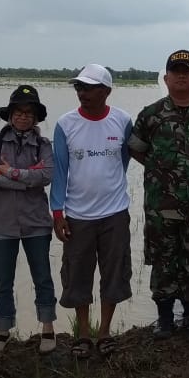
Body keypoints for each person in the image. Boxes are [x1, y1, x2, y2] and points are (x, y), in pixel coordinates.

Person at [129, 49, 189, 339]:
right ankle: (164, 318)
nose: (182, 75)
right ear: (167, 77)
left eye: (187, 70)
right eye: (176, 71)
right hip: (161, 205)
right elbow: (136, 148)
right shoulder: (151, 114)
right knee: (163, 259)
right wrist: (162, 171)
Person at [50, 64, 133, 359]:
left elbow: (123, 164)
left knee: (114, 273)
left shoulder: (122, 121)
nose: (82, 93)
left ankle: (105, 332)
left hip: (114, 213)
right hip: (77, 214)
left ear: (106, 91)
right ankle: (83, 333)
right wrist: (58, 214)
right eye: (78, 88)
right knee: (77, 275)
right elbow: (60, 172)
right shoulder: (65, 124)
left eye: (88, 88)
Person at [0, 85, 58, 354]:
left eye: (29, 113)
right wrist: (27, 178)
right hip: (1, 222)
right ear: (10, 114)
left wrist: (11, 173)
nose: (24, 117)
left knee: (43, 278)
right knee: (3, 281)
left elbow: (47, 176)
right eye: (19, 112)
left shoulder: (44, 145)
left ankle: (47, 329)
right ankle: (3, 331)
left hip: (36, 222)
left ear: (36, 117)